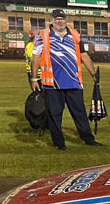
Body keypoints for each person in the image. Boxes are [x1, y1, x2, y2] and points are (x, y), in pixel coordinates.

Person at [30, 9, 100, 150]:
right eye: (56, 19)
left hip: (74, 82)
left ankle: (88, 139)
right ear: (51, 20)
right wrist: (34, 78)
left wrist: (93, 73)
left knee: (80, 113)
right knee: (55, 115)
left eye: (62, 18)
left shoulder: (74, 34)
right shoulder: (42, 35)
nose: (59, 21)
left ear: (66, 20)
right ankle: (59, 143)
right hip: (52, 84)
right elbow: (36, 57)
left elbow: (83, 55)